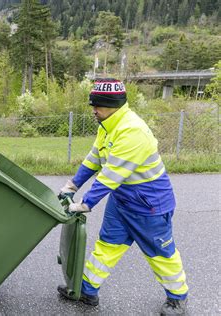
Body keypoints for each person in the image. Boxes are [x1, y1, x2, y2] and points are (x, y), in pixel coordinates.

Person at [58, 78, 188, 315]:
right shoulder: (107, 125)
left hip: (149, 205)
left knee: (160, 254)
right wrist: (72, 185)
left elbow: (111, 174)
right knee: (107, 245)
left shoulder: (132, 131)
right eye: (93, 105)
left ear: (113, 105)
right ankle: (87, 289)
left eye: (98, 105)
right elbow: (94, 159)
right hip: (121, 200)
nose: (93, 110)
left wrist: (86, 203)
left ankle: (177, 298)